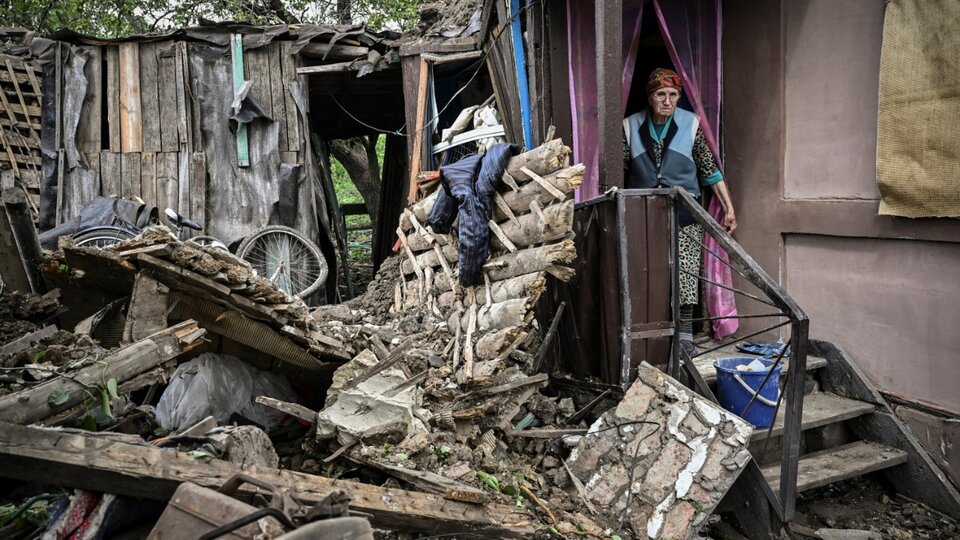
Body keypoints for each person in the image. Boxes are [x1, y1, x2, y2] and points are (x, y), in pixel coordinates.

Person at [622, 68, 737, 356]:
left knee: (685, 272)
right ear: (650, 97)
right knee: (648, 271)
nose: (667, 101)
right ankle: (652, 333)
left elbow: (709, 170)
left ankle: (685, 335)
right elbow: (618, 171)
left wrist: (729, 208)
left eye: (673, 95)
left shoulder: (691, 125)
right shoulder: (630, 126)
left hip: (685, 213)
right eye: (661, 94)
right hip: (645, 214)